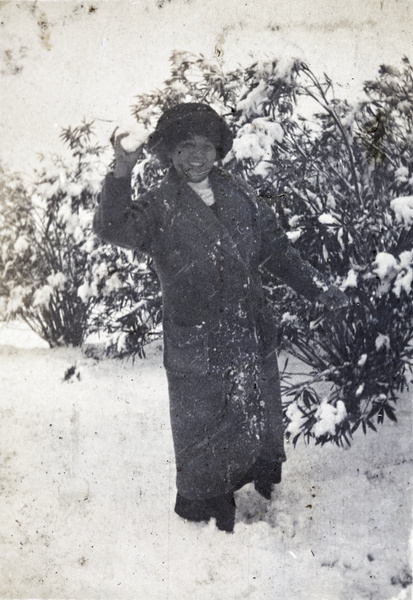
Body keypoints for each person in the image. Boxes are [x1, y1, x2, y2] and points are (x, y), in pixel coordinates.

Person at [93, 103, 347, 533]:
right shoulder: (159, 205)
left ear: (219, 151)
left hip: (247, 330)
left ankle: (260, 490)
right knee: (203, 428)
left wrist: (317, 289)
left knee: (254, 415)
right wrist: (122, 168)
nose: (197, 156)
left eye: (206, 146)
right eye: (186, 147)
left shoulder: (241, 195)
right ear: (169, 154)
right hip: (197, 338)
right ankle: (206, 520)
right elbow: (111, 226)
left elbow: (276, 249)